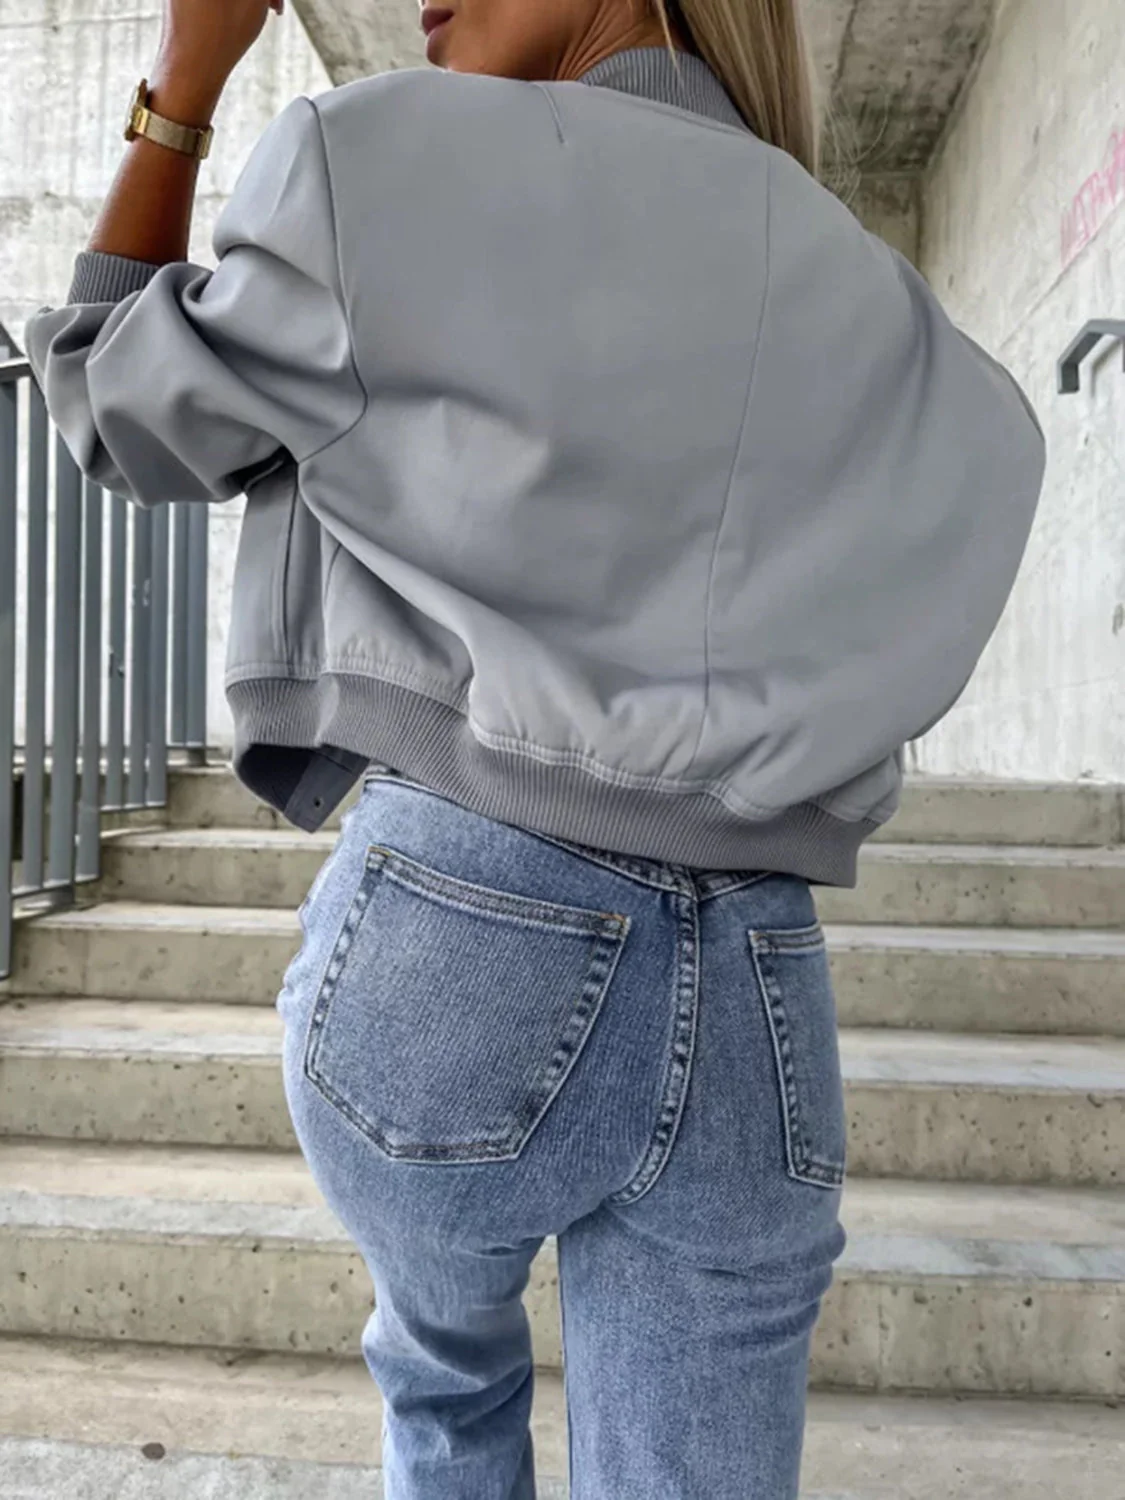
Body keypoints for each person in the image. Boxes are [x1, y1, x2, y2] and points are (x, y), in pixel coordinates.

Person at [25, 0, 1047, 1494]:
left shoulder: (375, 162)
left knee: (447, 1395)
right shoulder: (888, 316)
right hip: (760, 978)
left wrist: (183, 82)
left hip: (457, 939)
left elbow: (109, 397)